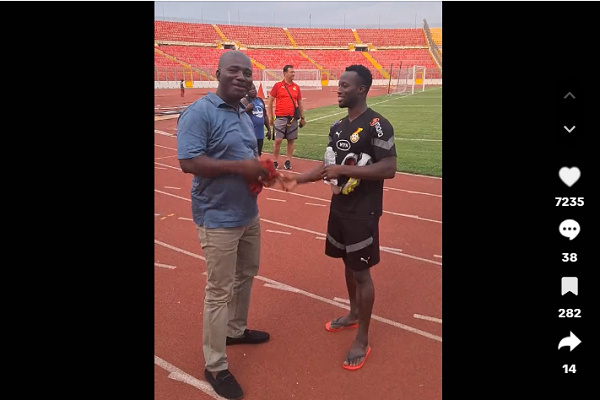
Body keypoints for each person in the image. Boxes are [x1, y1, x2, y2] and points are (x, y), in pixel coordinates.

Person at [281, 65, 397, 371]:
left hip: (364, 211)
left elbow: (389, 168)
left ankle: (362, 338)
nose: (339, 89)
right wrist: (292, 179)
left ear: (361, 89)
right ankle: (353, 313)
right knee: (347, 263)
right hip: (340, 208)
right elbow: (326, 166)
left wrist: (346, 171)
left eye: (345, 85)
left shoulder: (378, 125)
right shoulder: (336, 126)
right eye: (339, 85)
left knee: (362, 272)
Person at [176, 50, 273, 400]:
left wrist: (259, 170)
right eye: (234, 70)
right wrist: (241, 169)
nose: (242, 77)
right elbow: (189, 162)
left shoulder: (243, 111)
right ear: (217, 72)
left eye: (247, 73)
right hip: (217, 217)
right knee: (219, 290)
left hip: (248, 211)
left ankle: (235, 330)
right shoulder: (199, 113)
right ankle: (215, 364)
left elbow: (244, 157)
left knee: (247, 272)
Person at [266, 64, 306, 170]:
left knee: (291, 140)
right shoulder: (277, 86)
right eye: (291, 72)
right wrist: (270, 117)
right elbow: (269, 102)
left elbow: (300, 103)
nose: (293, 74)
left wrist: (303, 117)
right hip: (280, 117)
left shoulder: (296, 87)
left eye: (294, 72)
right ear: (285, 73)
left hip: (293, 118)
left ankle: (288, 160)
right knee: (278, 140)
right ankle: (275, 161)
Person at [241, 83, 271, 158]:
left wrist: (269, 129)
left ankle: (256, 168)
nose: (253, 90)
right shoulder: (244, 101)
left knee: (258, 154)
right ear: (246, 92)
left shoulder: (260, 100)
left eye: (254, 88)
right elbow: (239, 114)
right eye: (250, 89)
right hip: (249, 134)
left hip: (260, 134)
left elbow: (264, 115)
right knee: (249, 155)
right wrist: (247, 108)